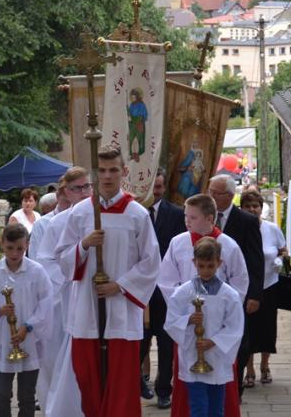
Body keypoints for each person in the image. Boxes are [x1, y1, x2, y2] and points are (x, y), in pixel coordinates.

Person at [55, 146, 160, 417]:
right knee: (87, 378)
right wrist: (84, 245)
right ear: (95, 173)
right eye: (101, 170)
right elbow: (62, 258)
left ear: (124, 172)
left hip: (121, 310)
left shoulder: (136, 214)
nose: (107, 176)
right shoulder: (81, 212)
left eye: (113, 170)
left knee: (121, 384)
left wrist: (120, 285)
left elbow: (151, 262)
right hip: (87, 309)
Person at [158, 193, 248, 417]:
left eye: (193, 217)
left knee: (219, 389)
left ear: (209, 218)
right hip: (190, 328)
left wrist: (220, 309)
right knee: (191, 387)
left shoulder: (228, 245)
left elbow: (240, 282)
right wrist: (185, 310)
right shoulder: (178, 242)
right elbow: (166, 280)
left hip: (218, 327)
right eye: (186, 216)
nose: (187, 221)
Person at [0, 224, 54, 417]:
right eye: (10, 248)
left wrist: (28, 326)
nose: (15, 253)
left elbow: (46, 303)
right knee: (2, 394)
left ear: (27, 245)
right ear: (2, 244)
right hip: (5, 340)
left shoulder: (37, 271)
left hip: (29, 340)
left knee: (27, 396)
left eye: (20, 248)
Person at [34, 167, 91, 416]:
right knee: (57, 360)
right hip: (63, 299)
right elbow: (44, 262)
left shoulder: (100, 218)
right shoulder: (54, 223)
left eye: (87, 187)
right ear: (66, 192)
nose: (83, 193)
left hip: (93, 297)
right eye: (77, 188)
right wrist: (72, 275)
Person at [207, 174, 264, 400]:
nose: (211, 196)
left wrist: (254, 295)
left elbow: (255, 260)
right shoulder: (205, 217)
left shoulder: (246, 221)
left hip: (238, 293)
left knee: (239, 342)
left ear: (230, 196)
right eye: (210, 191)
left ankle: (235, 387)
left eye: (216, 193)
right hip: (209, 294)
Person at [140, 169, 187, 409]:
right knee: (139, 343)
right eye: (152, 187)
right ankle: (137, 381)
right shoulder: (135, 212)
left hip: (166, 293)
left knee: (166, 346)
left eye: (158, 187)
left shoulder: (177, 214)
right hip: (140, 293)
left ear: (164, 187)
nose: (155, 191)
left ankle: (164, 391)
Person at [240, 190, 286, 388]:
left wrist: (279, 259)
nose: (252, 209)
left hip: (269, 284)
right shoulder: (239, 228)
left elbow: (283, 250)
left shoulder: (272, 229)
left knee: (267, 327)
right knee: (248, 328)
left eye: (255, 206)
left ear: (261, 208)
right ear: (241, 208)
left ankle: (265, 365)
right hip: (247, 286)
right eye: (248, 206)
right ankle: (248, 369)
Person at [29, 183, 67, 260]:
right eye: (43, 213)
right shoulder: (40, 223)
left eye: (46, 213)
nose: (46, 216)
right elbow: (34, 255)